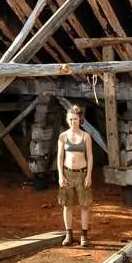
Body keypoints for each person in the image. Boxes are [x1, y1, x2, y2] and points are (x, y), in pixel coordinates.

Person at [56, 104, 93, 246]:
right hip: (67, 173)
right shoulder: (63, 136)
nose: (73, 122)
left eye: (75, 119)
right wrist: (60, 175)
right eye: (70, 119)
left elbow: (90, 157)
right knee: (67, 205)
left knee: (84, 205)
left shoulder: (86, 136)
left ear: (80, 119)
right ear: (67, 119)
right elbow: (60, 156)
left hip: (82, 173)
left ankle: (84, 235)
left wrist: (89, 175)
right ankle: (69, 234)